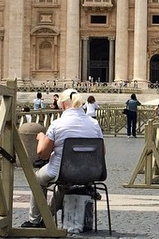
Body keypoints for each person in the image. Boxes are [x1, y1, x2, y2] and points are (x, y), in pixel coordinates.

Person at [21, 89, 103, 227]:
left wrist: (41, 137)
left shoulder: (57, 124)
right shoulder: (94, 124)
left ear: (63, 105)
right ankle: (47, 218)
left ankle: (34, 220)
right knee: (63, 185)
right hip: (91, 171)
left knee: (37, 180)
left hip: (62, 170)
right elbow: (102, 151)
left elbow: (42, 154)